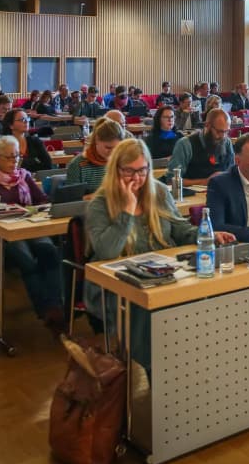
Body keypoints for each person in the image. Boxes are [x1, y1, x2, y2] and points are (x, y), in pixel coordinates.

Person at [84, 138, 234, 369]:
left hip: (162, 272)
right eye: (129, 171)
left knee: (202, 297)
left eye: (142, 170)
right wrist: (126, 211)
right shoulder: (100, 203)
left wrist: (208, 235)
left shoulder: (160, 193)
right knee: (146, 313)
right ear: (116, 170)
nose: (137, 178)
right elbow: (107, 251)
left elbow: (181, 230)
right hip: (116, 284)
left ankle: (192, 365)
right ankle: (151, 373)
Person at [0, 136, 64, 334]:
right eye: (9, 157)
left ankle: (56, 306)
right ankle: (47, 309)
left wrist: (41, 206)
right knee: (27, 260)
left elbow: (42, 199)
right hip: (1, 234)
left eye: (17, 156)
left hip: (28, 227)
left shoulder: (23, 176)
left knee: (50, 251)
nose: (14, 161)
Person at [165, 108, 234, 185]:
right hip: (192, 192)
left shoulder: (226, 142)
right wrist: (204, 182)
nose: (223, 136)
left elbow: (233, 173)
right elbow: (171, 180)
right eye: (219, 131)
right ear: (207, 125)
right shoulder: (185, 144)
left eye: (227, 131)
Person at [66, 118, 126, 192]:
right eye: (108, 147)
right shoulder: (78, 165)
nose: (112, 152)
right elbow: (73, 197)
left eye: (116, 148)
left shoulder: (122, 163)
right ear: (97, 140)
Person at [1, 108, 53, 174]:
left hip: (35, 178)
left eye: (27, 119)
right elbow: (6, 168)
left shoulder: (35, 141)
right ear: (11, 125)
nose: (26, 121)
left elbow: (48, 165)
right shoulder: (3, 144)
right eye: (22, 119)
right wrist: (34, 162)